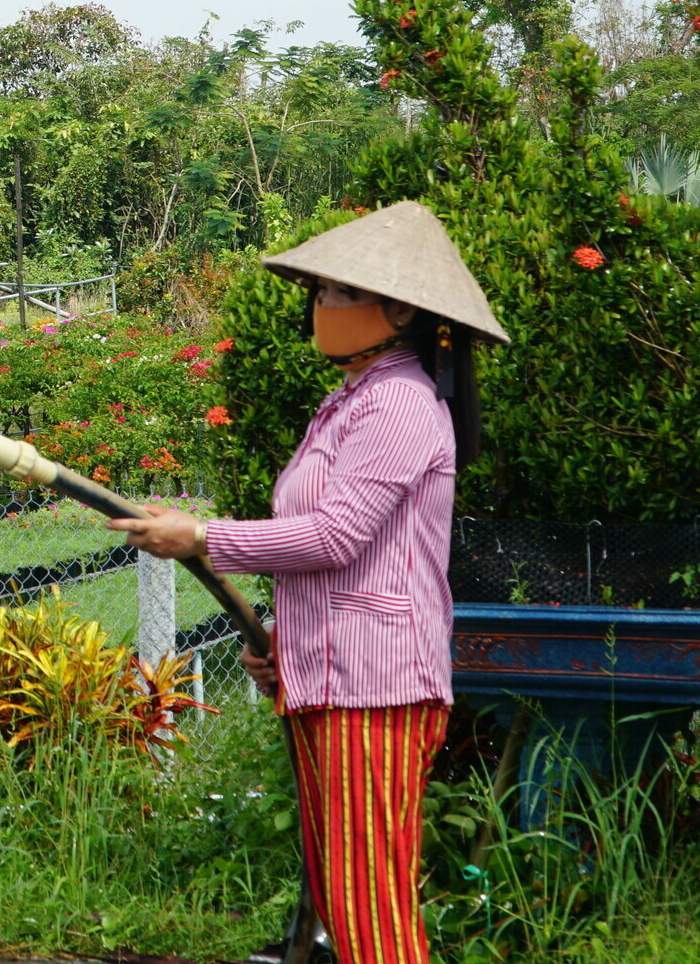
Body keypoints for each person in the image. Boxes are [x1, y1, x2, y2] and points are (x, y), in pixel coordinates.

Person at [110, 201, 505, 964]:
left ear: (397, 310)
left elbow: (333, 538)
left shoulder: (397, 404)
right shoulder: (348, 402)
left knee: (369, 905)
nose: (322, 307)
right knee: (340, 893)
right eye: (320, 292)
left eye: (337, 293)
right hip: (335, 680)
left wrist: (200, 537)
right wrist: (284, 648)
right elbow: (345, 559)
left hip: (380, 687)